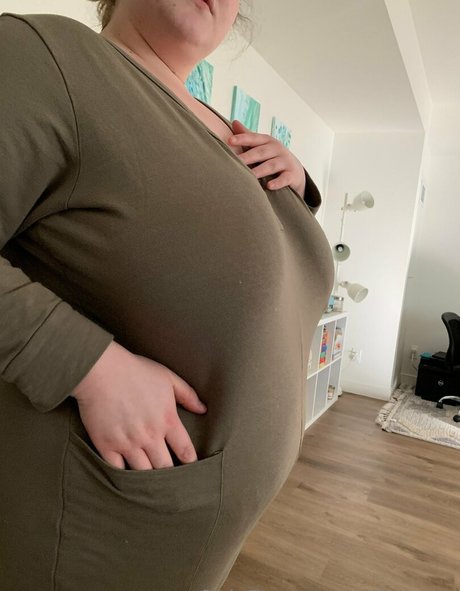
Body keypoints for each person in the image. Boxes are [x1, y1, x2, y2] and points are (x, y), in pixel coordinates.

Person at [0, 1, 335, 590]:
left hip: (184, 543)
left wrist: (300, 190)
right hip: (88, 535)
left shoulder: (226, 129)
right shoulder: (47, 56)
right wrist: (89, 366)